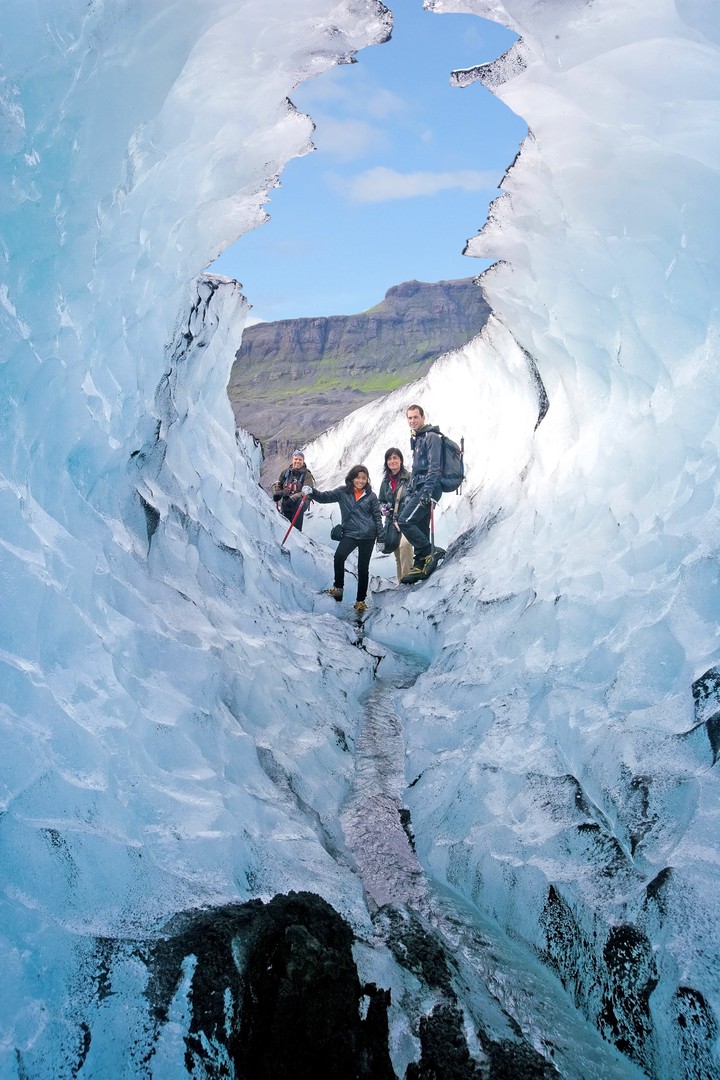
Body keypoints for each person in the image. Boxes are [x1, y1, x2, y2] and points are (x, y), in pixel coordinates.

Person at [310, 465, 383, 612]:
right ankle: (338, 589)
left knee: (363, 568)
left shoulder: (371, 496)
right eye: (358, 477)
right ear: (352, 478)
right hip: (350, 533)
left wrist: (380, 538)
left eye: (364, 478)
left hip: (368, 535)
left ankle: (360, 601)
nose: (361, 481)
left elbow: (377, 517)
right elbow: (324, 497)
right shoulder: (343, 492)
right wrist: (311, 492)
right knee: (339, 556)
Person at [397, 404, 446, 582]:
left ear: (423, 417)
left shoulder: (431, 437)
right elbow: (416, 470)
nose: (412, 421)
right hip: (420, 487)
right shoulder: (418, 438)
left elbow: (434, 467)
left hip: (429, 489)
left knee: (404, 521)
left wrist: (427, 492)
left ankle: (430, 552)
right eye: (409, 418)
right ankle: (420, 564)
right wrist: (411, 490)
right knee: (419, 524)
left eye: (415, 417)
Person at [378, 447, 414, 582]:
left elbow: (414, 496)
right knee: (398, 555)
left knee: (405, 546)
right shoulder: (385, 482)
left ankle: (407, 582)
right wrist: (383, 508)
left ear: (401, 460)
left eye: (395, 458)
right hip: (392, 523)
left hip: (407, 521)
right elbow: (380, 500)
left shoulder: (409, 478)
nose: (392, 461)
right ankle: (401, 584)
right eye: (389, 458)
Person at [271, 450, 315, 532]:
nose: (297, 461)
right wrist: (279, 493)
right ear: (292, 460)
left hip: (301, 501)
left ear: (303, 461)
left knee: (298, 504)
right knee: (285, 512)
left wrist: (293, 498)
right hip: (287, 499)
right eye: (296, 459)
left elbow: (307, 491)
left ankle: (297, 531)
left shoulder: (307, 475)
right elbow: (280, 484)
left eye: (300, 460)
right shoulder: (285, 473)